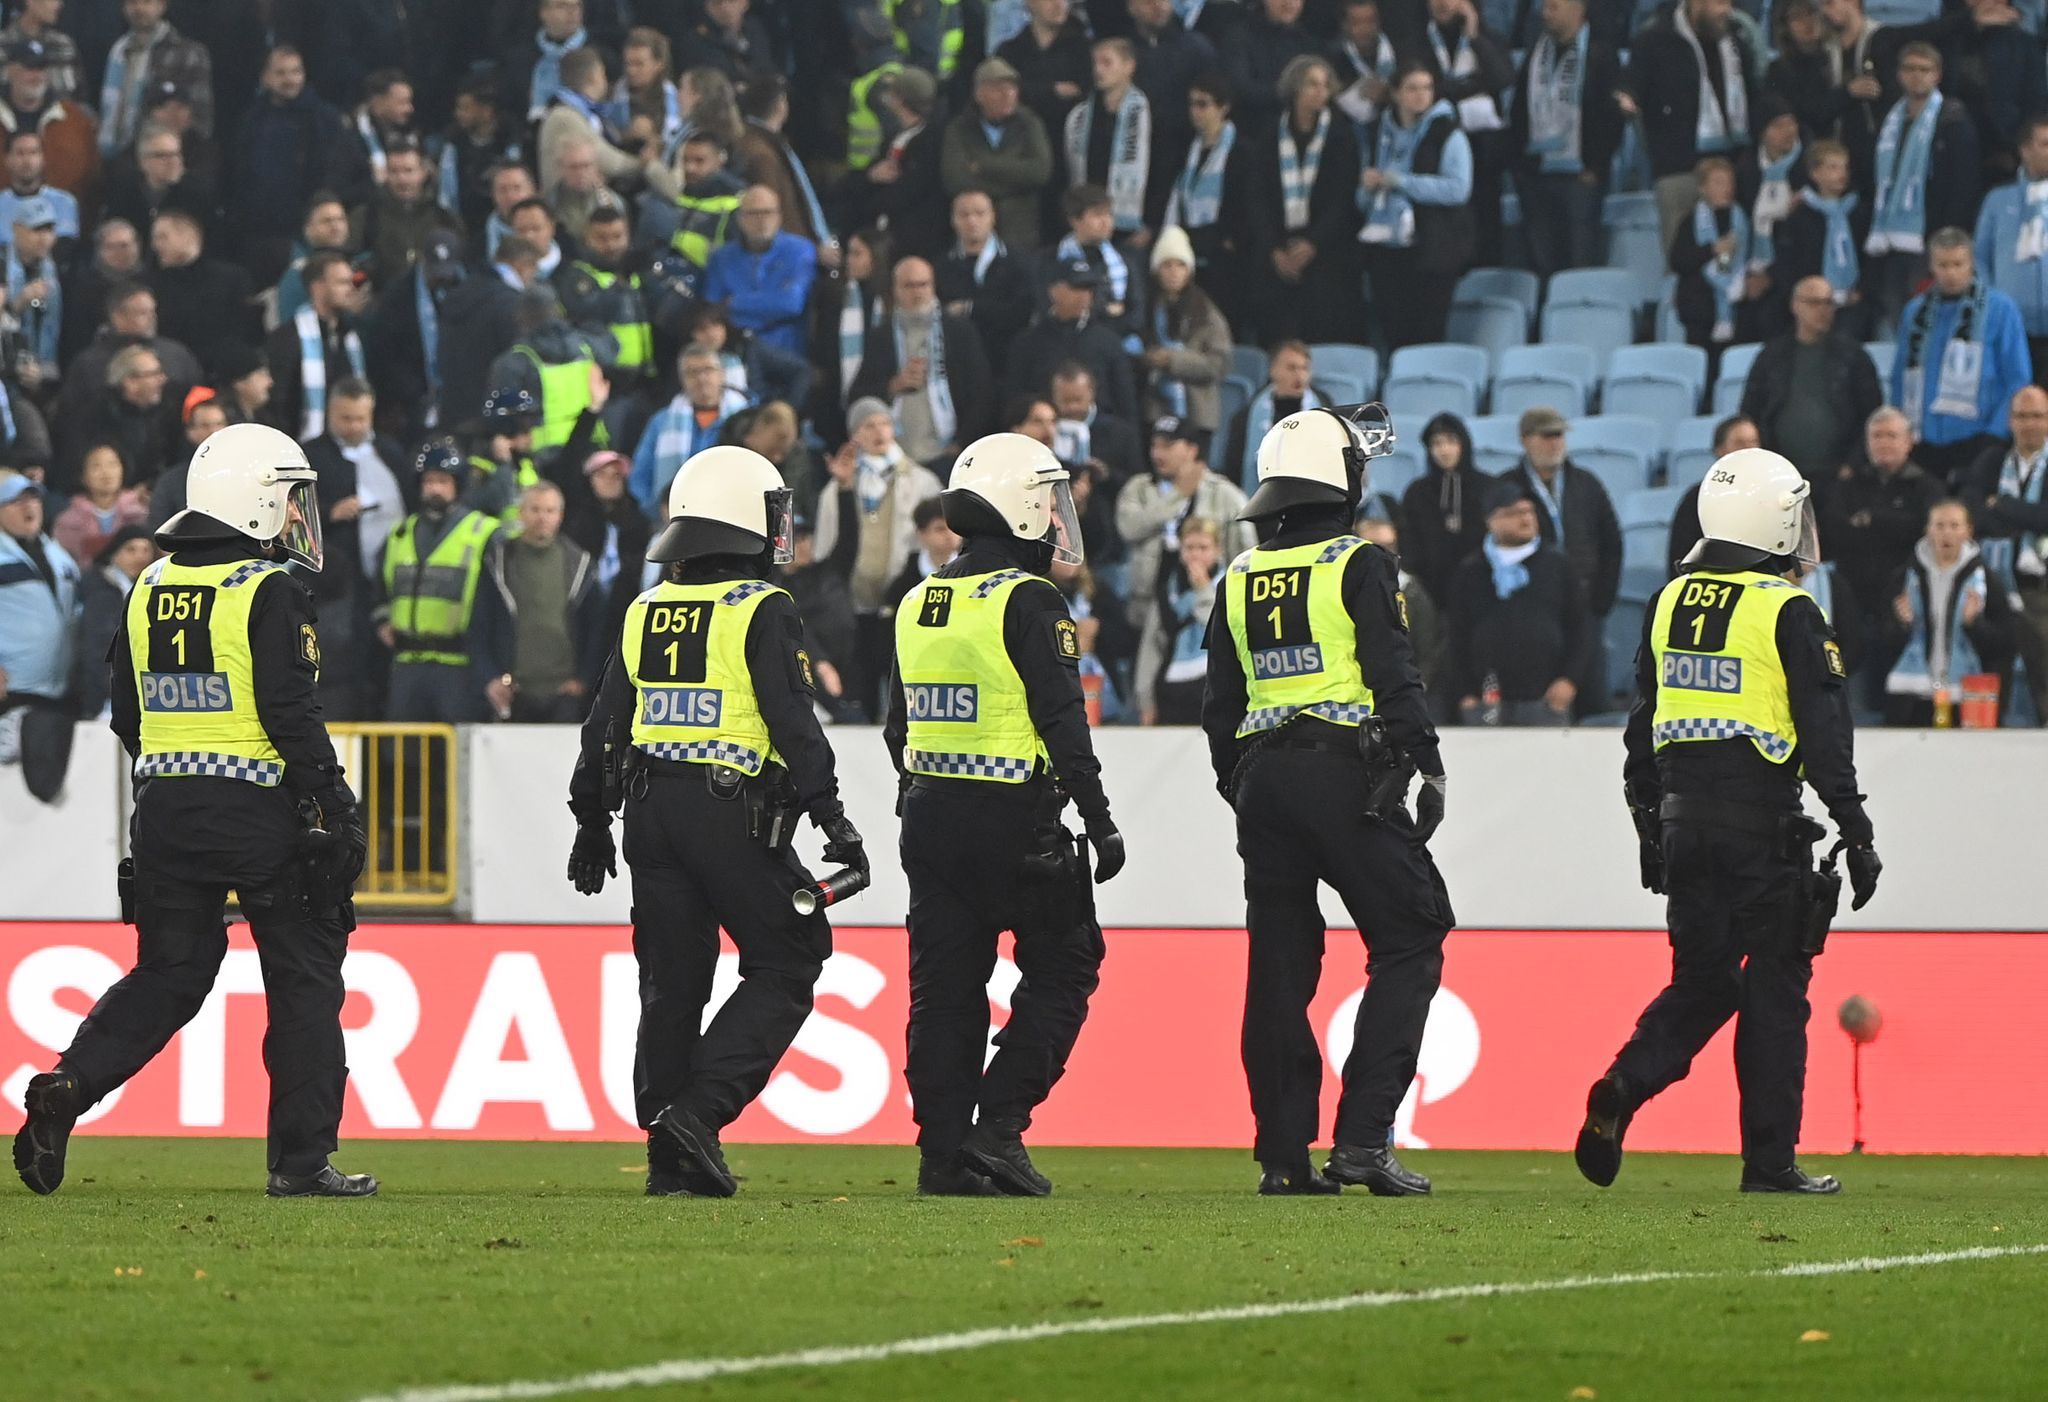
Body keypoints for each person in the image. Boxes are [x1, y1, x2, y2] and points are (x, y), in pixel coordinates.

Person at [13, 423, 374, 1198]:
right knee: (304, 977)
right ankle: (300, 1162)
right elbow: (289, 712)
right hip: (261, 813)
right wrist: (337, 808)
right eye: (285, 500)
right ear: (253, 503)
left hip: (167, 811)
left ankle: (70, 1086)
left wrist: (176, 775)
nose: (292, 517)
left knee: (169, 973)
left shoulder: (147, 586)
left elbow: (127, 715)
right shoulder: (268, 590)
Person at [1577, 447, 1881, 1196]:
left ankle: (1624, 1084)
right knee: (1777, 987)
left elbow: (1641, 729)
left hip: (1683, 824)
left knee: (1705, 983)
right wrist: (1856, 829)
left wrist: (1649, 825)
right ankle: (1770, 1162)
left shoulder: (1668, 602)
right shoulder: (1788, 610)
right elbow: (1824, 731)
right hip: (1762, 825)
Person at [568, 446, 862, 1195]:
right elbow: (793, 724)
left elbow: (606, 724)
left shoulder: (645, 608)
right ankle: (697, 1115)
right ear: (741, 521)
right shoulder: (763, 609)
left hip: (648, 814)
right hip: (729, 811)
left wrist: (592, 818)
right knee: (791, 957)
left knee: (672, 981)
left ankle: (668, 1159)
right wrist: (834, 821)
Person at [1202, 405, 1451, 1196]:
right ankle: (1364, 1141)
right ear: (1341, 481)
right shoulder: (1361, 563)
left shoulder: (1236, 575)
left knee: (1277, 966)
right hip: (1345, 773)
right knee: (1413, 932)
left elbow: (1219, 703)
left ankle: (1282, 1156)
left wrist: (1237, 785)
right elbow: (1392, 672)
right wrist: (1427, 762)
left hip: (1263, 783)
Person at [884, 432, 1123, 1196]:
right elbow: (1063, 720)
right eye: (1049, 500)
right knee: (1066, 963)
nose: (1057, 517)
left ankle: (942, 1156)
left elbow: (899, 727)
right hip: (1017, 819)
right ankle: (999, 1128)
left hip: (929, 817)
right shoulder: (1031, 598)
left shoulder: (919, 598)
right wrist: (1100, 816)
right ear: (1022, 506)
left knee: (944, 992)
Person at [816, 396, 946, 711]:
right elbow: (826, 546)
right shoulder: (837, 488)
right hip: (854, 602)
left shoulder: (922, 480)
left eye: (885, 423)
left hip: (901, 598)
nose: (879, 431)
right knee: (861, 678)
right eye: (869, 425)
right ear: (855, 434)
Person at [1891, 228, 2033, 487]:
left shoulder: (2000, 308)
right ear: (1932, 265)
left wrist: (1995, 432)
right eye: (1943, 265)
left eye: (1958, 264)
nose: (1951, 273)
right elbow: (1901, 376)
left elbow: (2017, 377)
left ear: (1971, 263)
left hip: (1979, 437)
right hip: (1922, 438)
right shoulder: (1915, 312)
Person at [1502, 407, 1622, 711]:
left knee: (1592, 698)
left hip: (1584, 607)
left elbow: (1612, 543)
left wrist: (1600, 602)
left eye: (1559, 435)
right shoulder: (1508, 488)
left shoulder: (1586, 484)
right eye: (1547, 436)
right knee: (1539, 702)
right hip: (1533, 613)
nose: (1556, 443)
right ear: (1526, 439)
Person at [376, 439, 502, 723]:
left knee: (457, 756)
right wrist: (382, 621)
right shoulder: (399, 534)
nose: (435, 488)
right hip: (407, 663)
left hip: (458, 665)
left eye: (443, 481)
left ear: (457, 484)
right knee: (402, 757)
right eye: (430, 481)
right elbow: (380, 590)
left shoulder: (483, 532)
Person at [1244, 54, 1362, 346]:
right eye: (1312, 84)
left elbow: (1343, 198)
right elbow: (1257, 197)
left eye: (1325, 85)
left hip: (1326, 254)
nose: (1320, 91)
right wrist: (1274, 248)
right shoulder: (1269, 136)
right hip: (1278, 252)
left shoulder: (1342, 137)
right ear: (1295, 88)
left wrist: (1312, 243)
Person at [1448, 477, 1586, 725]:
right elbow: (1456, 636)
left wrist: (1569, 680)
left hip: (1547, 699)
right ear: (1491, 521)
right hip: (1487, 701)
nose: (1525, 519)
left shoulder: (1558, 565)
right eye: (1513, 513)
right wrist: (1464, 693)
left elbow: (1581, 629)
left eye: (1529, 511)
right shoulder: (1471, 571)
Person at [1621, 0, 1757, 252]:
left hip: (1730, 168)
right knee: (1681, 260)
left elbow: (1753, 95)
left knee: (1733, 258)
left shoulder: (1735, 41)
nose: (1726, 10)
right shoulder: (1654, 40)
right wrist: (1626, 98)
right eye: (1719, 3)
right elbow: (1631, 84)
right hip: (1679, 169)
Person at [1863, 44, 1979, 339]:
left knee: (1927, 316)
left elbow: (1962, 185)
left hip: (1929, 238)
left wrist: (1942, 234)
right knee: (1892, 314)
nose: (1917, 76)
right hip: (1889, 240)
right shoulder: (1888, 120)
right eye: (1910, 69)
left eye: (1924, 70)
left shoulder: (1953, 121)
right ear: (1900, 75)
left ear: (1937, 75)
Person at [1359, 61, 1475, 354]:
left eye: (1427, 88)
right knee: (1394, 331)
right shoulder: (1375, 133)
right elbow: (1361, 197)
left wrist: (1400, 182)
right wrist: (1367, 189)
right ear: (1395, 93)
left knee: (1428, 334)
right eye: (1412, 88)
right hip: (1386, 249)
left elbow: (1458, 189)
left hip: (1433, 249)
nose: (1421, 95)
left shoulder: (1448, 133)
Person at [1508, 0, 1623, 281]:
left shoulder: (1601, 53)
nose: (1546, 13)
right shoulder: (1536, 51)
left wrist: (1596, 167)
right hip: (1536, 175)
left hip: (1580, 177)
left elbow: (1611, 116)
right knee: (1542, 261)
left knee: (1579, 261)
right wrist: (1521, 167)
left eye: (1554, 6)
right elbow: (1518, 110)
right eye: (1545, 7)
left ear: (1578, 9)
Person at [473, 481, 604, 723]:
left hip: (566, 695)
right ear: (521, 513)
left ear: (560, 516)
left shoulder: (582, 565)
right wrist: (490, 678)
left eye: (549, 510)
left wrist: (585, 680)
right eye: (534, 509)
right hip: (513, 694)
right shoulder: (497, 563)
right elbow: (479, 624)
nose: (542, 517)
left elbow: (596, 630)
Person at [1882, 497, 2014, 725]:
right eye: (1939, 525)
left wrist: (1975, 624)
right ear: (1927, 530)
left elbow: (2005, 643)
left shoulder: (1987, 581)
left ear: (1968, 531)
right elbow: (1884, 641)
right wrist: (1902, 624)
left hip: (1969, 697)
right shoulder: (1904, 578)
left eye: (1954, 526)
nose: (1947, 533)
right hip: (1914, 697)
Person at [1741, 275, 1884, 482]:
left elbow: (1871, 415)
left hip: (1839, 476)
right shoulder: (1771, 357)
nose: (1823, 310)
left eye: (1829, 303)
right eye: (1814, 303)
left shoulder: (1854, 356)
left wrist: (1853, 464)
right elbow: (1751, 412)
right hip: (1781, 475)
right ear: (1795, 305)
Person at [1115, 413, 1253, 608]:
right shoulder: (1138, 488)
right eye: (1155, 445)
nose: (1158, 454)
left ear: (1191, 449)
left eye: (1167, 446)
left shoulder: (1226, 495)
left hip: (1210, 603)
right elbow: (1128, 528)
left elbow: (1245, 555)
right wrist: (1178, 495)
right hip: (1145, 603)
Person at [0, 471, 79, 802]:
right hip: (13, 693)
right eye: (17, 501)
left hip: (59, 693)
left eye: (32, 499)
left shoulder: (59, 556)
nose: (28, 506)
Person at [1970, 384, 2048, 720]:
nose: (2028, 423)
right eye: (2021, 416)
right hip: (1994, 587)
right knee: (1993, 675)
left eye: (2037, 416)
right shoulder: (1992, 459)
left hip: (2040, 591)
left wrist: (2001, 505)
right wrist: (2025, 515)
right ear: (2010, 420)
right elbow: (1971, 509)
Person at [705, 185, 816, 410]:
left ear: (779, 217)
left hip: (788, 353)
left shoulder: (800, 250)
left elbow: (791, 304)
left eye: (768, 213)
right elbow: (713, 309)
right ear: (740, 219)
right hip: (739, 356)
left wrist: (735, 302)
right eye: (753, 213)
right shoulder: (721, 258)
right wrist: (770, 303)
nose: (761, 220)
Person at [939, 57, 1054, 254]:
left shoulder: (1030, 123)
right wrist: (1015, 182)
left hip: (1020, 233)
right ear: (979, 94)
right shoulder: (959, 128)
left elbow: (1039, 172)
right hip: (971, 238)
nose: (1007, 95)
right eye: (998, 89)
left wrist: (983, 166)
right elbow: (955, 180)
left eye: (1012, 88)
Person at [1007, 259, 1139, 422]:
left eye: (1088, 289)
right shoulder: (1028, 343)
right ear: (1053, 290)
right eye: (1076, 287)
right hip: (1043, 437)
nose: (1084, 296)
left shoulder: (1108, 341)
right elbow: (1015, 402)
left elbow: (1125, 404)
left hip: (1100, 437)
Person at [1160, 71, 1245, 324]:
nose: (1195, 111)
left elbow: (1244, 203)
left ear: (1223, 107)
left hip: (1225, 256)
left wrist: (1229, 240)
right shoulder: (1186, 151)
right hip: (1191, 249)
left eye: (1203, 104)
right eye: (1192, 104)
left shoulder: (1242, 152)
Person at [1972, 116, 2048, 384]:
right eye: (2045, 144)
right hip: (2011, 323)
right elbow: (1979, 257)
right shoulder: (1997, 200)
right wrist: (1992, 300)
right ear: (2025, 150)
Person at [265, 249, 367, 443]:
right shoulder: (288, 337)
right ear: (318, 287)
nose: (351, 290)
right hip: (304, 447)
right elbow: (280, 402)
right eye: (342, 283)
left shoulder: (350, 335)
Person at [1767, 141, 1869, 335]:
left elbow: (1869, 254)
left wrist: (1862, 289)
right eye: (1833, 167)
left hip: (1851, 299)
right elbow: (1787, 260)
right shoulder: (1801, 214)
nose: (1842, 174)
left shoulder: (1859, 212)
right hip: (1812, 301)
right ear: (1815, 174)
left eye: (1845, 167)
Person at [935, 188, 1036, 382]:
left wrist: (970, 308)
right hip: (959, 366)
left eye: (980, 213)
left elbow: (1021, 311)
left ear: (993, 217)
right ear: (953, 220)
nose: (972, 221)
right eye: (964, 215)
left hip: (1008, 362)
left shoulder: (1019, 261)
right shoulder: (941, 266)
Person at [1140, 225, 1231, 436]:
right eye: (1167, 265)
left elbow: (1219, 364)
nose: (1173, 272)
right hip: (1155, 411)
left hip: (1198, 413)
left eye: (1180, 265)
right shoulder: (1147, 309)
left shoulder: (1206, 313)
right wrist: (1147, 358)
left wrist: (1173, 360)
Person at [1397, 411, 1493, 612]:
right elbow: (1408, 540)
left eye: (1451, 442)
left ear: (1463, 445)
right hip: (1429, 591)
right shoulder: (1417, 492)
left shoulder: (1487, 487)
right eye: (1437, 443)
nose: (1444, 450)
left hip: (1481, 588)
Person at [1135, 513, 1219, 724]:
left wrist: (1203, 590)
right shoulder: (1167, 592)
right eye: (1189, 548)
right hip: (1172, 691)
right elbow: (1152, 647)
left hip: (1215, 687)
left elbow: (1220, 631)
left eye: (1203, 548)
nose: (1195, 555)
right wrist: (1146, 700)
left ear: (1218, 551)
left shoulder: (1230, 585)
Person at [1670, 155, 1752, 372]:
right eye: (1718, 182)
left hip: (1736, 307)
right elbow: (1679, 261)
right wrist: (1712, 250)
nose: (1726, 188)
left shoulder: (1740, 220)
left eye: (1729, 182)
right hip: (1699, 309)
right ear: (1703, 188)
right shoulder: (1691, 222)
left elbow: (1741, 259)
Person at [1064, 37, 1151, 243]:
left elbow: (1159, 170)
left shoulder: (1145, 112)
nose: (1099, 70)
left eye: (1107, 63)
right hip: (1088, 222)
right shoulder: (1080, 115)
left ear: (1129, 66)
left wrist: (1151, 224)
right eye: (1096, 63)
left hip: (1131, 227)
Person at [70, 525, 155, 720]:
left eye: (145, 550)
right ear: (114, 553)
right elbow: (98, 649)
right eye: (131, 550)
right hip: (105, 701)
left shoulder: (144, 589)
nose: (140, 557)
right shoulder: (102, 593)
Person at [1221, 340, 1325, 492]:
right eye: (1292, 368)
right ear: (1273, 370)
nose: (1300, 376)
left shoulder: (1324, 410)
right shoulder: (1247, 415)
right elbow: (1233, 468)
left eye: (1304, 368)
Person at [52, 441, 145, 567]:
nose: (106, 472)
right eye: (96, 466)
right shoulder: (68, 522)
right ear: (82, 476)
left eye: (112, 464)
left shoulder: (140, 513)